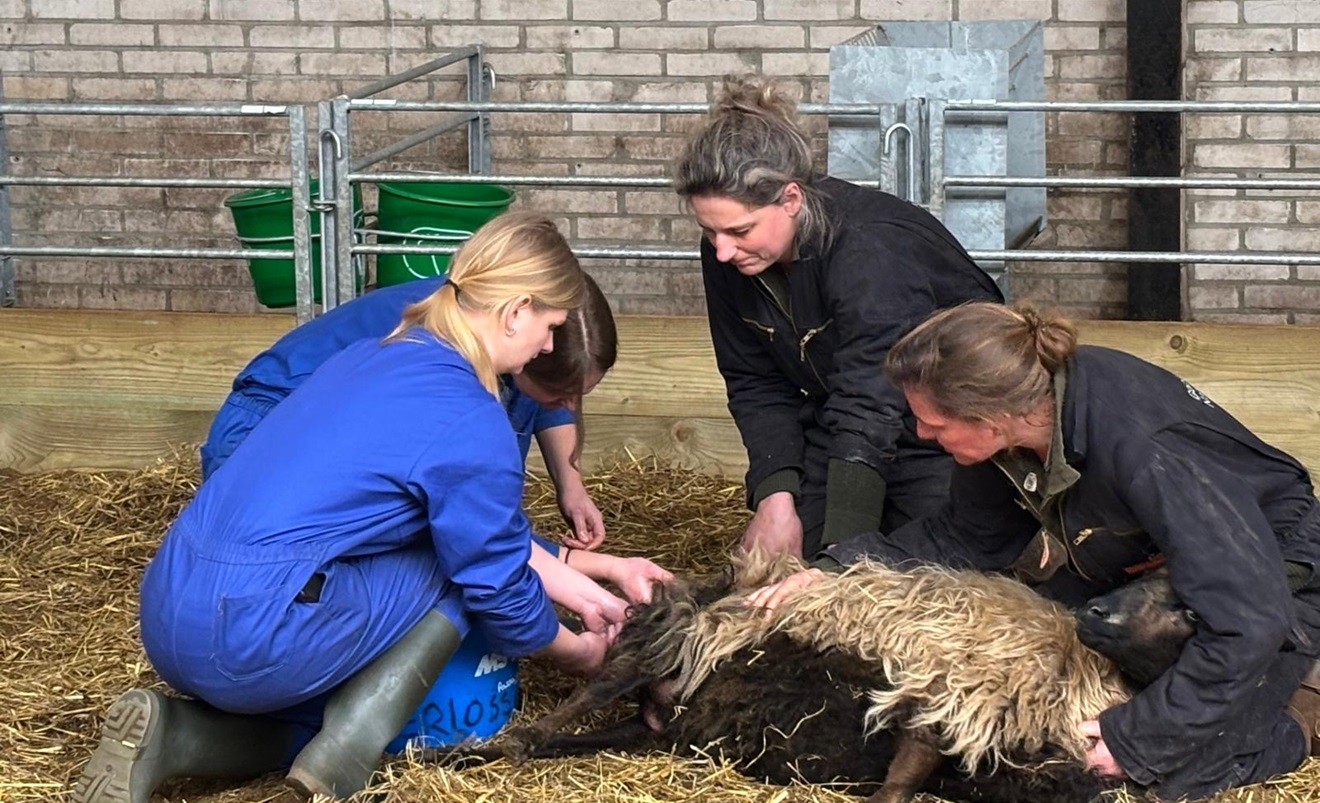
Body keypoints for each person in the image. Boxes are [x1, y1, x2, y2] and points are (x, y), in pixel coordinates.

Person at [72, 212, 662, 803]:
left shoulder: (374, 356)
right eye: (552, 325)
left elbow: (489, 538)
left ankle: (176, 735)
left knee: (424, 574)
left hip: (170, 609)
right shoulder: (469, 414)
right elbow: (494, 577)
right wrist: (572, 650)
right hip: (253, 634)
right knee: (460, 567)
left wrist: (596, 589)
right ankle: (349, 746)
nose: (550, 345)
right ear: (516, 312)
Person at [750, 301, 1320, 801]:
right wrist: (838, 571)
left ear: (989, 415)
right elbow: (965, 538)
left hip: (1277, 565)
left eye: (933, 422)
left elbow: (1249, 616)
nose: (922, 435)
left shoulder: (1146, 451)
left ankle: (1304, 706)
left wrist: (1140, 737)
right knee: (1072, 646)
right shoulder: (1012, 434)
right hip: (1148, 561)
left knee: (1168, 767)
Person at [675, 74, 1003, 561]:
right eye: (709, 230)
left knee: (923, 578)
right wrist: (775, 497)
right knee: (777, 570)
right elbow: (754, 379)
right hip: (841, 425)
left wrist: (841, 552)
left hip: (946, 433)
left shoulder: (870, 248)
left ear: (791, 199)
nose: (722, 250)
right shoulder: (730, 253)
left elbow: (873, 395)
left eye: (739, 229)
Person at [202, 271, 617, 550]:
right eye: (562, 393)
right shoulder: (441, 355)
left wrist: (572, 487)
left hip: (328, 447)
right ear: (527, 340)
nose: (568, 408)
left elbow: (545, 395)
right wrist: (565, 569)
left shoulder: (508, 330)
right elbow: (460, 520)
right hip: (262, 435)